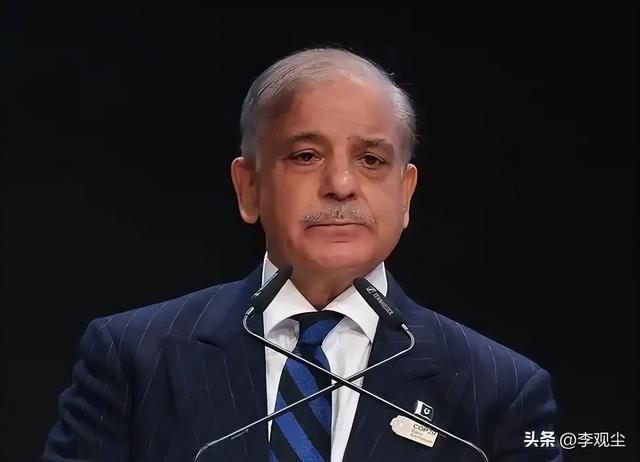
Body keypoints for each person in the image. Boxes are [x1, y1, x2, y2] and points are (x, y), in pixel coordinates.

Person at [43, 47, 562, 461]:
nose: (341, 184)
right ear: (249, 188)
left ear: (405, 195)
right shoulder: (134, 357)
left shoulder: (500, 389)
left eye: (371, 159)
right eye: (306, 155)